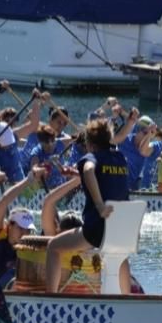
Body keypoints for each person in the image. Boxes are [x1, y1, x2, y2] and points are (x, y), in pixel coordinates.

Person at [45, 119, 131, 294]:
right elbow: (105, 175)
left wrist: (99, 205)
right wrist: (75, 173)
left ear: (90, 144)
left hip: (98, 228)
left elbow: (90, 171)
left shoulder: (90, 158)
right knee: (122, 256)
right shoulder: (120, 158)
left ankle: (51, 298)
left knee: (53, 246)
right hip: (122, 226)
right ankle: (126, 298)